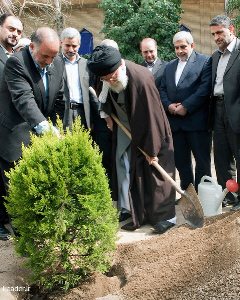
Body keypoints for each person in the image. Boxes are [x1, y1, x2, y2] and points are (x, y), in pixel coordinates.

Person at [87, 45, 176, 234]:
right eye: (106, 78)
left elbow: (153, 116)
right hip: (124, 128)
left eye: (113, 76)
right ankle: (131, 209)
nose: (110, 80)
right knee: (125, 167)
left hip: (151, 130)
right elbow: (102, 96)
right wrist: (108, 116)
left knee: (155, 174)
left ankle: (165, 217)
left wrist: (152, 150)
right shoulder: (102, 75)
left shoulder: (141, 79)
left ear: (120, 64)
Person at [0, 27, 65, 236]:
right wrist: (45, 127)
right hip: (15, 137)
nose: (49, 61)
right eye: (45, 56)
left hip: (40, 137)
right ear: (31, 47)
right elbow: (24, 99)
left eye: (53, 57)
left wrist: (58, 128)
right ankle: (26, 243)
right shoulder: (16, 63)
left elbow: (59, 100)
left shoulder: (57, 62)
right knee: (19, 194)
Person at [159, 31, 212, 197]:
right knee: (182, 164)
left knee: (202, 162)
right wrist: (169, 106)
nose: (180, 51)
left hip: (196, 122)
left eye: (183, 47)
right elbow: (162, 89)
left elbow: (204, 89)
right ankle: (189, 195)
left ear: (192, 45)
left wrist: (186, 106)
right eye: (176, 48)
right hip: (175, 124)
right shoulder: (169, 66)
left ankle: (203, 195)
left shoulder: (205, 61)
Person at [209, 15, 240, 210]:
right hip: (218, 110)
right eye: (213, 34)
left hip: (236, 110)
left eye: (219, 32)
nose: (216, 37)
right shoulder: (215, 56)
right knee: (221, 156)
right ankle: (230, 195)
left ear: (231, 29)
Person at [0, 13, 23, 240]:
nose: (14, 34)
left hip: (12, 132)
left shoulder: (16, 57)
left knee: (11, 182)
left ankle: (16, 229)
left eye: (18, 31)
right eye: (10, 28)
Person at [59, 27, 99, 131]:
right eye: (67, 45)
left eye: (74, 46)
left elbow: (91, 91)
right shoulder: (54, 63)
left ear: (79, 44)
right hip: (62, 113)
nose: (71, 50)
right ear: (61, 43)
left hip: (83, 113)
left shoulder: (86, 64)